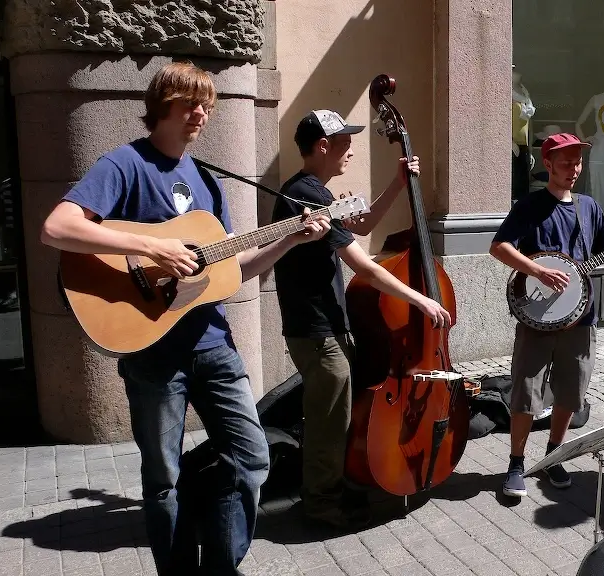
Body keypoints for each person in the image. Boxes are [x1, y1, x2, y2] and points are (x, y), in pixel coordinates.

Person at [39, 61, 332, 574]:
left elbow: (230, 269)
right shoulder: (124, 165)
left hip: (212, 343)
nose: (201, 114)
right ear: (162, 105)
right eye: (190, 103)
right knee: (163, 478)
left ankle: (221, 565)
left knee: (252, 458)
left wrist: (289, 239)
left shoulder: (207, 181)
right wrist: (152, 246)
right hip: (153, 354)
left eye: (208, 107)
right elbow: (57, 228)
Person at [271, 109, 451, 529]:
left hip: (323, 326)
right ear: (322, 147)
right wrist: (421, 300)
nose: (350, 149)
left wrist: (399, 182)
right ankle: (321, 504)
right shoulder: (307, 194)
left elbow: (364, 222)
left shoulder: (311, 189)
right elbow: (365, 268)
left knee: (335, 415)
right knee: (327, 421)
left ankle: (336, 485)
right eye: (345, 142)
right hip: (316, 329)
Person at [488, 133, 604, 498]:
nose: (574, 169)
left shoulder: (589, 207)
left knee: (571, 394)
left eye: (578, 163)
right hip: (537, 317)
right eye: (566, 163)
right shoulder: (530, 205)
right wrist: (537, 271)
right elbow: (499, 247)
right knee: (525, 392)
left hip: (581, 317)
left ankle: (554, 456)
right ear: (548, 164)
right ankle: (516, 463)